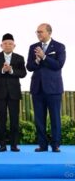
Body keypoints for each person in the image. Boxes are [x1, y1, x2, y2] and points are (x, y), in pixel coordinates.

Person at [26, 23, 66, 153]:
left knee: (55, 118)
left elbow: (58, 65)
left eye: (41, 32)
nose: (38, 34)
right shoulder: (33, 47)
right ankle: (42, 145)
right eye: (37, 32)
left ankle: (56, 145)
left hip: (53, 89)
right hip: (37, 88)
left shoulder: (59, 46)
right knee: (39, 119)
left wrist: (44, 57)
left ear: (49, 32)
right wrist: (37, 61)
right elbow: (29, 67)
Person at [0, 33, 26, 152]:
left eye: (10, 43)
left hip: (14, 92)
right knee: (1, 119)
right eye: (5, 43)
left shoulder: (19, 58)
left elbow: (23, 73)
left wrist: (11, 70)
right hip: (0, 92)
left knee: (14, 119)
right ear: (1, 45)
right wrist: (2, 70)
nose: (8, 45)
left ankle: (14, 145)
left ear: (14, 45)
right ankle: (2, 145)